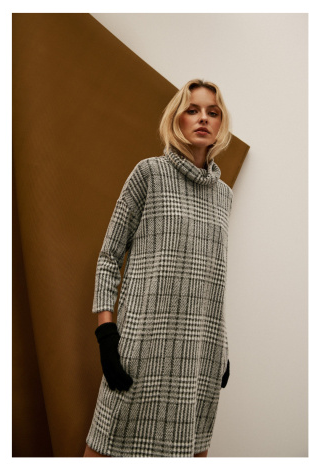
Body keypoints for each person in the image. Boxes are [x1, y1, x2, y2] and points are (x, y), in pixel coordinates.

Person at [84, 79, 233, 458]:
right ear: (176, 119)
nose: (203, 118)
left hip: (198, 354)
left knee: (190, 454)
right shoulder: (149, 174)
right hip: (143, 345)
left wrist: (222, 347)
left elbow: (213, 278)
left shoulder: (224, 196)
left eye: (212, 112)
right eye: (192, 110)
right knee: (102, 451)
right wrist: (106, 334)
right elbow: (109, 256)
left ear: (221, 124)